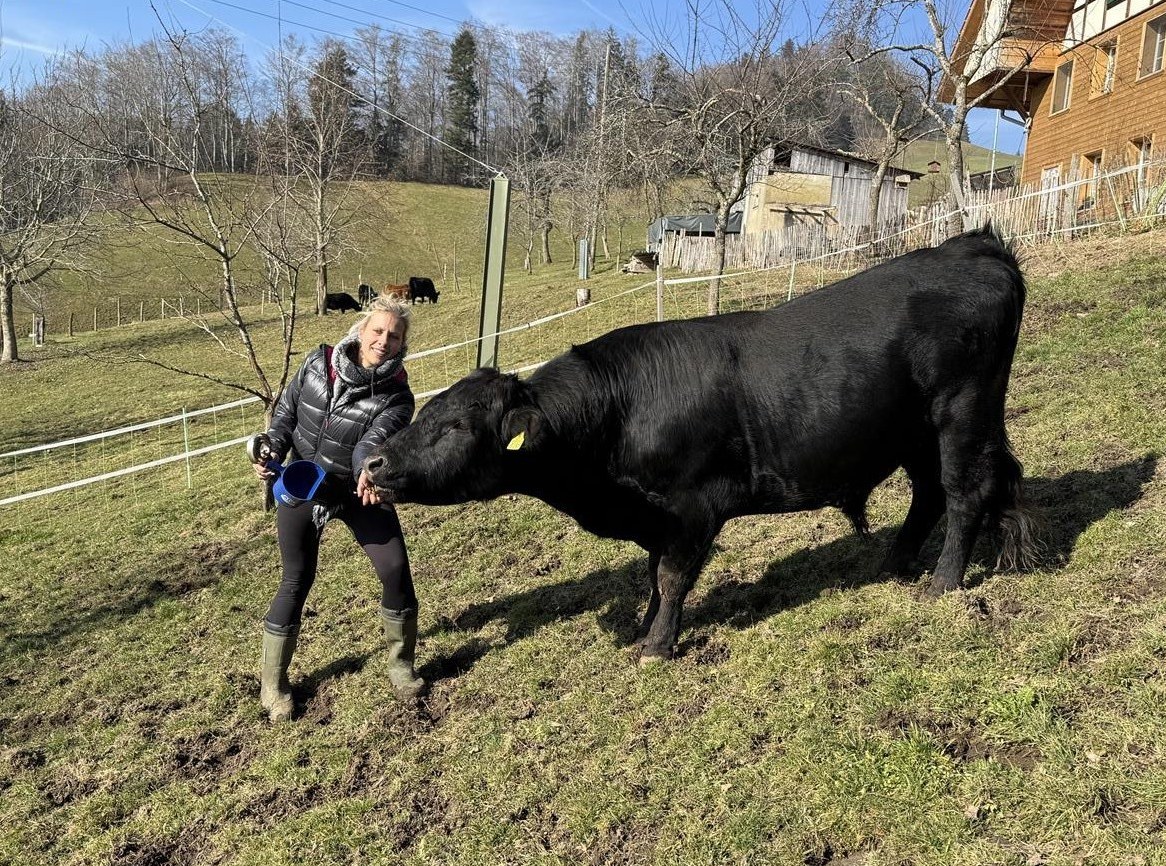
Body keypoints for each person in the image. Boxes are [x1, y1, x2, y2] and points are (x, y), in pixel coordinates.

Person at [247, 295, 423, 722]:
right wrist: (270, 450)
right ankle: (274, 684)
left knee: (395, 569)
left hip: (358, 491)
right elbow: (286, 416)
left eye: (394, 336)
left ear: (401, 345)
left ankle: (400, 665)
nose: (384, 340)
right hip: (304, 486)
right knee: (296, 578)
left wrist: (367, 469)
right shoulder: (315, 363)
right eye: (378, 331)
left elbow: (373, 442)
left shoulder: (398, 397)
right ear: (361, 330)